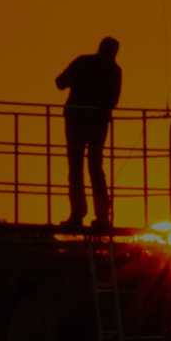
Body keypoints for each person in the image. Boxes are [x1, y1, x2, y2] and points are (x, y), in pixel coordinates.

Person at [54, 38, 122, 230]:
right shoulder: (109, 69)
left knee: (85, 168)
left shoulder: (88, 64)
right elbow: (60, 82)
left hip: (86, 122)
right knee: (87, 168)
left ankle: (87, 215)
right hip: (86, 122)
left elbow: (60, 82)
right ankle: (90, 215)